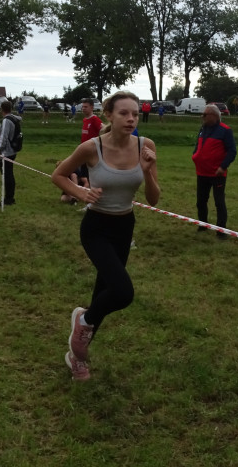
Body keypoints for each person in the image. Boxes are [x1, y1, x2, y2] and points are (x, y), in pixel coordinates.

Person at [51, 91, 159, 382]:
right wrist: (81, 192)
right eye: (124, 113)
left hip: (125, 227)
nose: (131, 119)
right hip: (96, 227)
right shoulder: (91, 147)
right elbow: (59, 175)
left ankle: (77, 357)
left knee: (102, 296)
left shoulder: (145, 146)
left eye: (135, 113)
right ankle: (81, 320)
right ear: (109, 115)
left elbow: (154, 199)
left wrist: (148, 172)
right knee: (123, 292)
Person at [191, 104, 237, 239]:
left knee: (219, 202)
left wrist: (222, 167)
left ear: (215, 116)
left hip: (217, 173)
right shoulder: (203, 128)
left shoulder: (225, 130)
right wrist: (195, 155)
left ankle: (221, 230)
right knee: (200, 201)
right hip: (201, 172)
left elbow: (232, 151)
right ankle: (202, 224)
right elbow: (198, 145)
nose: (202, 117)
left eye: (205, 115)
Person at [0, 100, 21, 206]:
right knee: (9, 174)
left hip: (6, 152)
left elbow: (5, 137)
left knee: (7, 175)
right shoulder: (14, 119)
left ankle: (8, 199)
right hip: (12, 151)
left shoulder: (6, 121)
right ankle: (10, 197)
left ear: (2, 109)